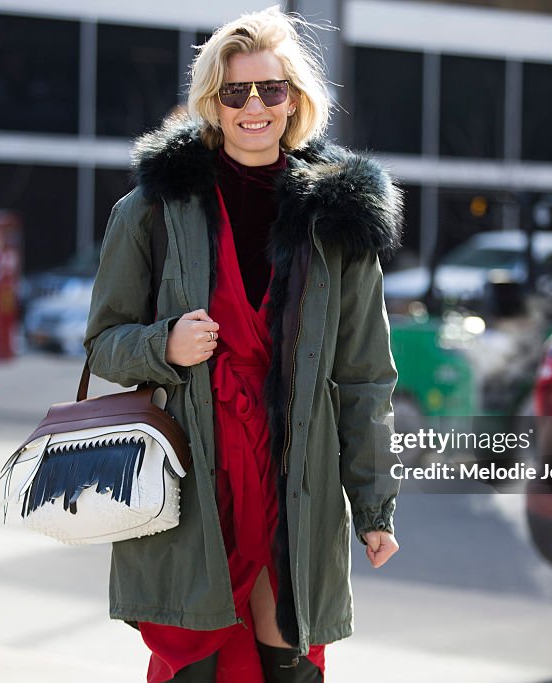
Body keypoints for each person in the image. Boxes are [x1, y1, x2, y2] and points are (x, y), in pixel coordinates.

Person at [84, 8, 402, 682]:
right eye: (236, 92)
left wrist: (373, 505)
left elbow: (367, 376)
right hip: (194, 479)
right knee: (196, 659)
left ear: (295, 100)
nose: (253, 106)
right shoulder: (150, 210)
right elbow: (103, 345)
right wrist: (163, 343)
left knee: (288, 657)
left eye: (271, 90)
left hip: (296, 482)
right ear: (213, 102)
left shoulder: (339, 219)